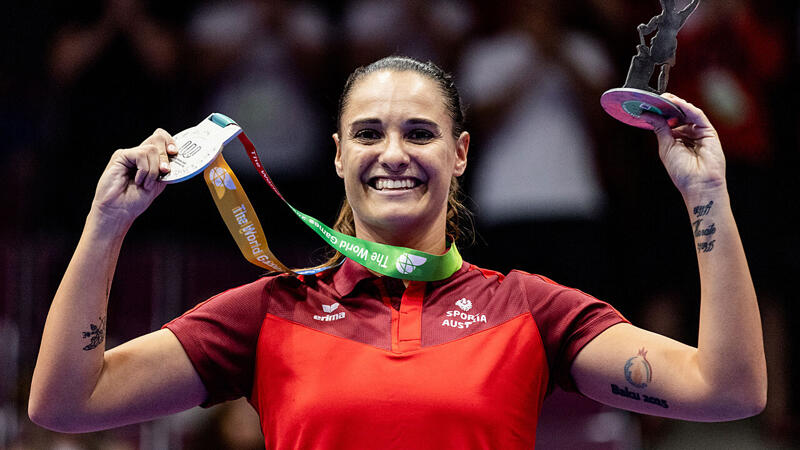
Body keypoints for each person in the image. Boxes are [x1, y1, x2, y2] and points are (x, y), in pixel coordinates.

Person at [29, 56, 766, 448]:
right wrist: (106, 225)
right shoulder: (270, 311)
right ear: (339, 155)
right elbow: (67, 403)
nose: (394, 154)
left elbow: (726, 390)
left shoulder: (530, 310)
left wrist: (708, 195)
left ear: (461, 154)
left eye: (419, 133)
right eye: (369, 134)